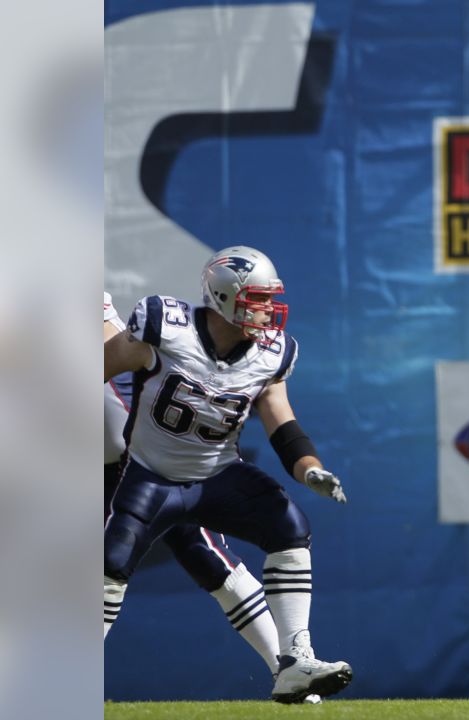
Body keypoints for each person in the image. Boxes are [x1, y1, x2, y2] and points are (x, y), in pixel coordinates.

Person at [102, 247, 352, 703]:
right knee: (111, 564)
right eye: (257, 298)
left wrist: (311, 469)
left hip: (217, 475)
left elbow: (283, 422)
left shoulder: (272, 353)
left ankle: (297, 659)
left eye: (269, 298)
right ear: (223, 295)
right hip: (151, 474)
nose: (267, 309)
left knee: (289, 527)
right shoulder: (164, 327)